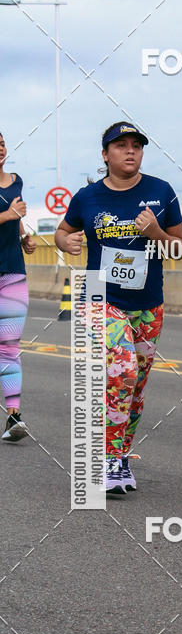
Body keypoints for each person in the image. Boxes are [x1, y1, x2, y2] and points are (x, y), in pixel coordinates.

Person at [55, 122, 182, 494]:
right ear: (105, 154)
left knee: (136, 386)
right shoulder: (88, 197)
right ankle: (109, 460)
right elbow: (62, 231)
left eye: (136, 146)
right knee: (123, 371)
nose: (130, 151)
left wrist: (157, 234)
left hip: (147, 302)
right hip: (100, 296)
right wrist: (66, 242)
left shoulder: (161, 192)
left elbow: (179, 248)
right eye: (121, 145)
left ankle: (121, 456)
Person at [0, 132, 36, 442]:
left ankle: (14, 417)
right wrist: (8, 215)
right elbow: (10, 213)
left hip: (12, 271)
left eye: (0, 143)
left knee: (9, 346)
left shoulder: (16, 181)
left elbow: (17, 217)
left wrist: (24, 236)